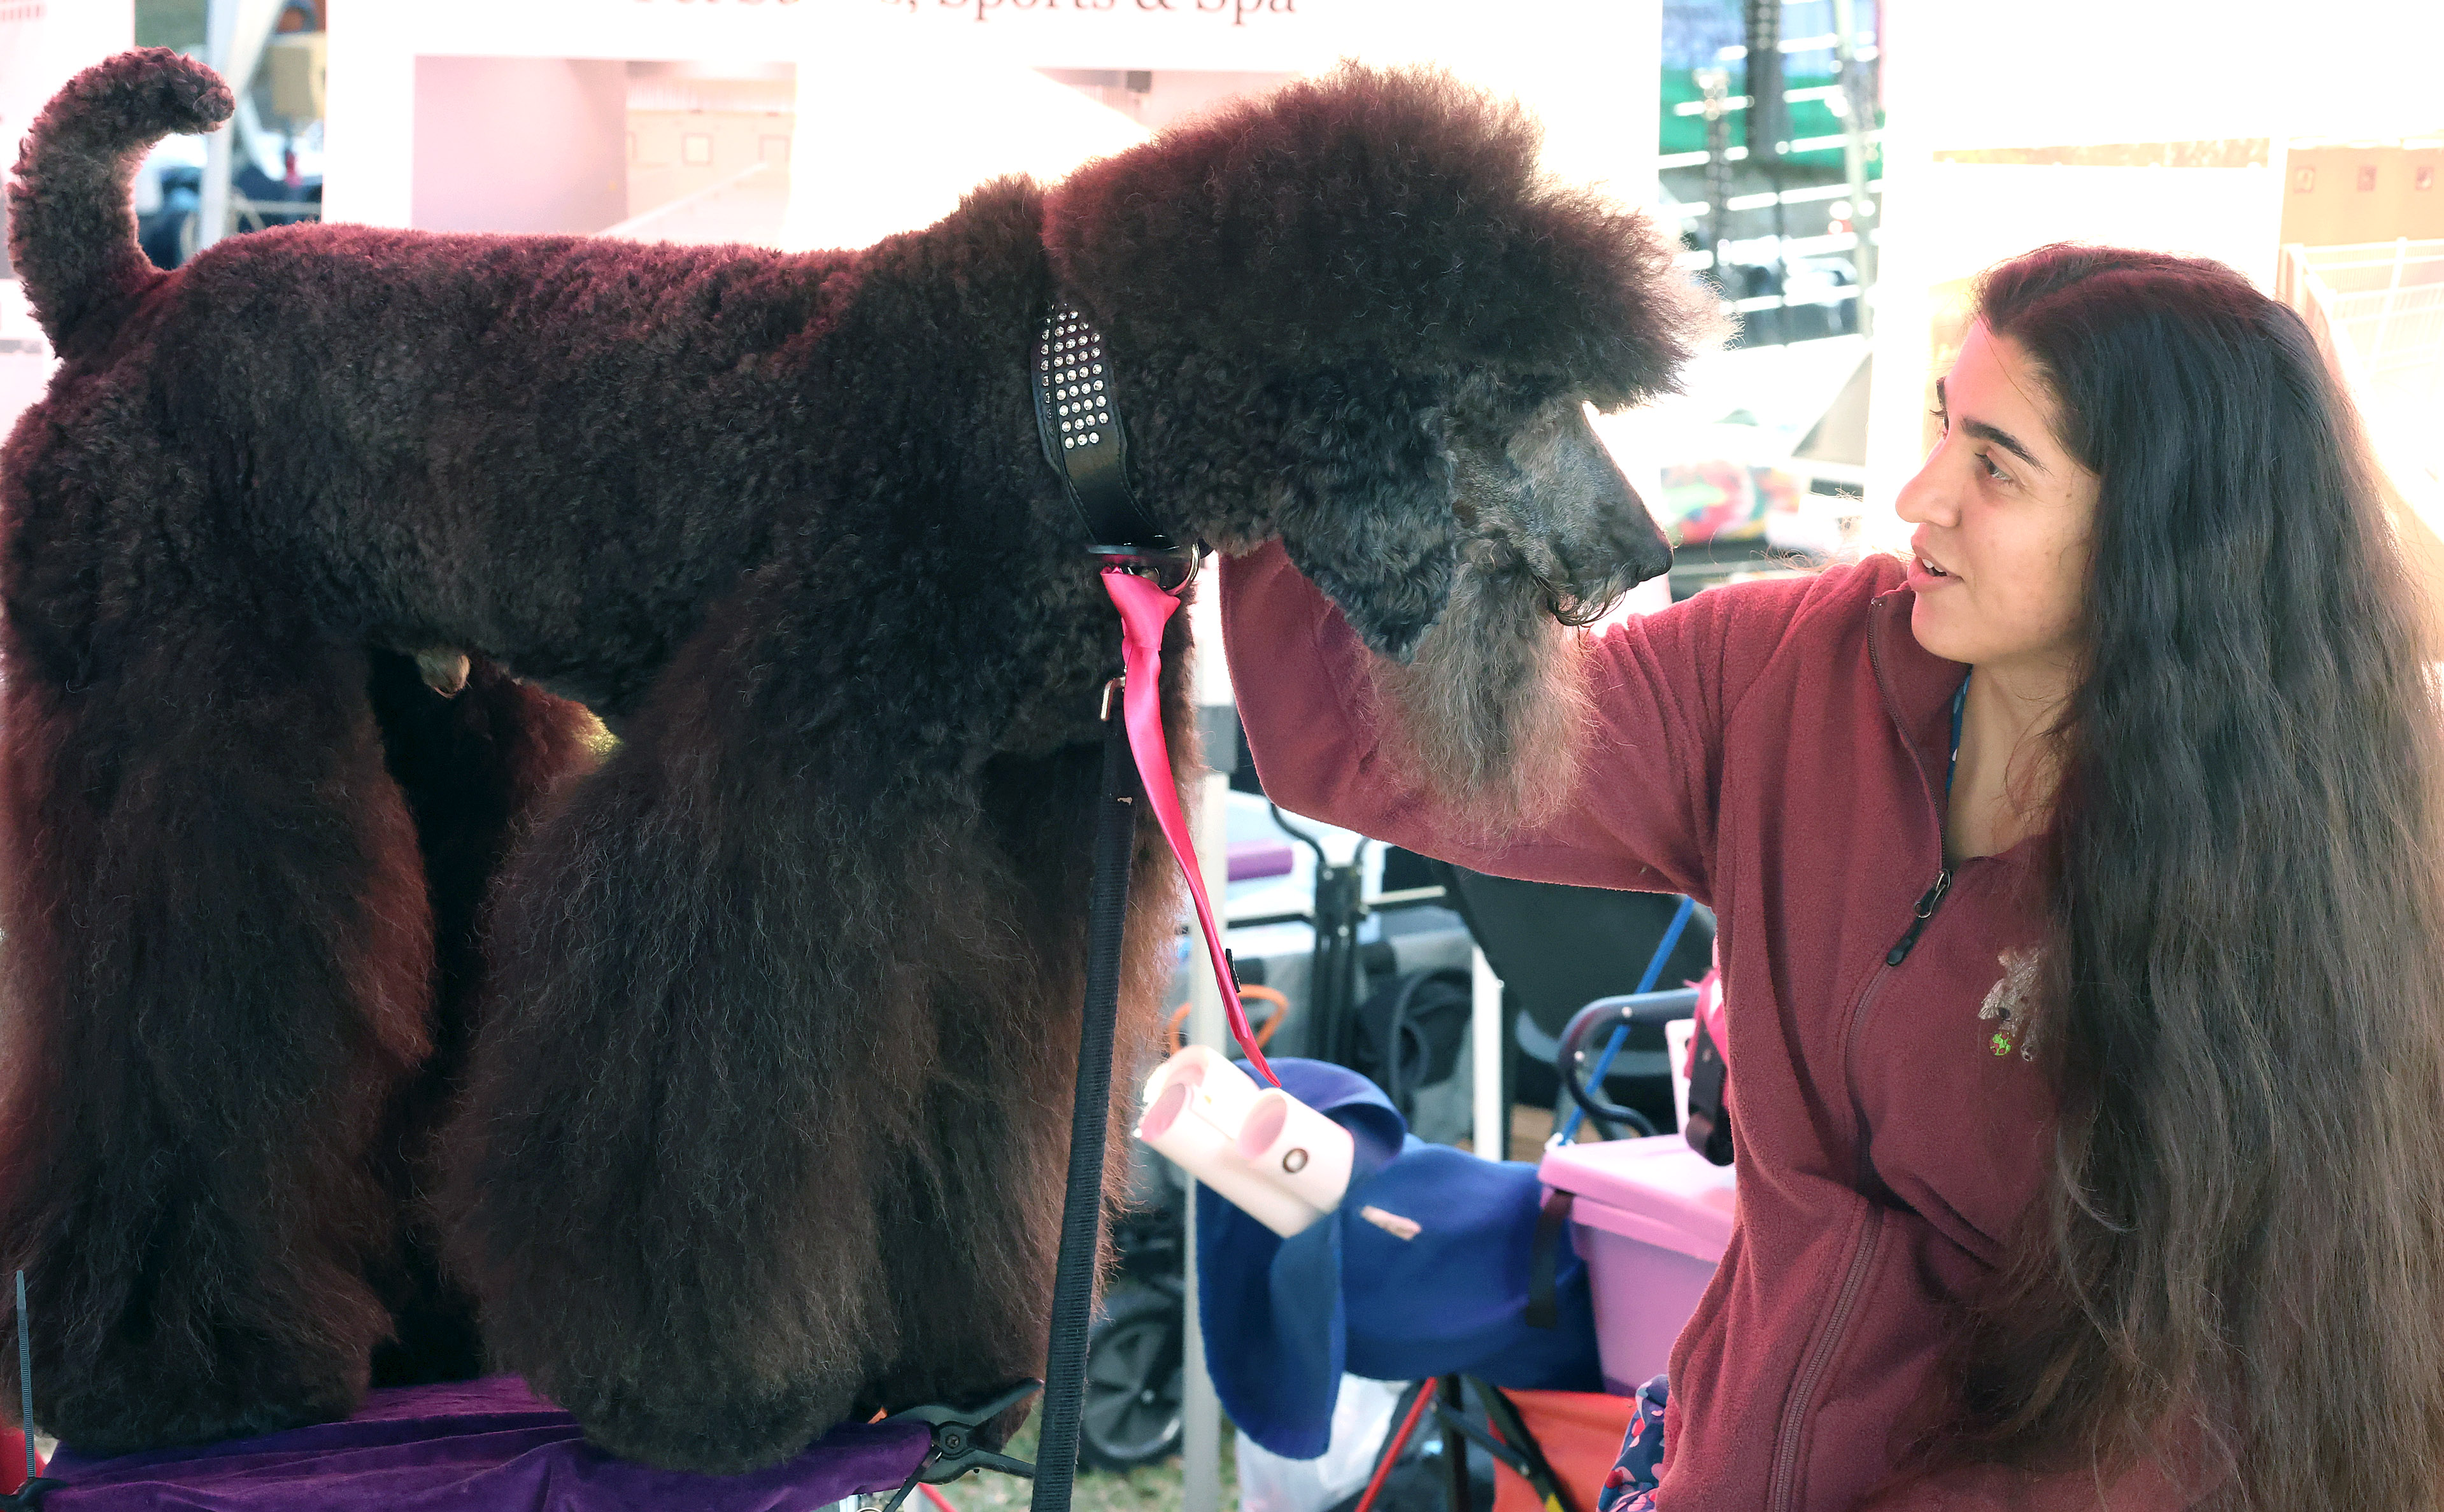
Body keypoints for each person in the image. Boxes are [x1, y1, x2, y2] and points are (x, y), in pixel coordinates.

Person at [1219, 244, 2444, 1511]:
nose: (1918, 497)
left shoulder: (2301, 871)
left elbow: (2196, 1404)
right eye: (1940, 422)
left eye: (1994, 469)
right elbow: (1373, 751)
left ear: (2158, 526)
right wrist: (1285, 419)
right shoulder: (1795, 672)